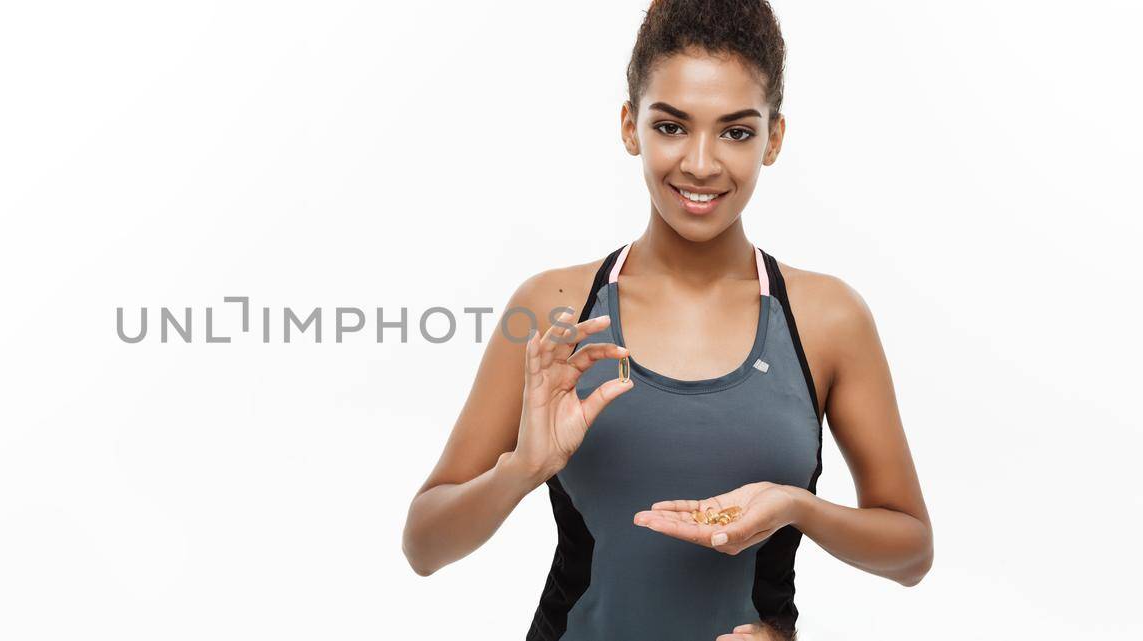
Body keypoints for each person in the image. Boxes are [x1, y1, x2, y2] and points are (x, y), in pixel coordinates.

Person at [399, 1, 933, 639]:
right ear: (631, 127)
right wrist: (522, 468)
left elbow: (911, 553)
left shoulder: (827, 319)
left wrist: (798, 508)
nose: (701, 163)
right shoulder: (555, 307)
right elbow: (424, 547)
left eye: (736, 131)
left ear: (775, 139)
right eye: (672, 126)